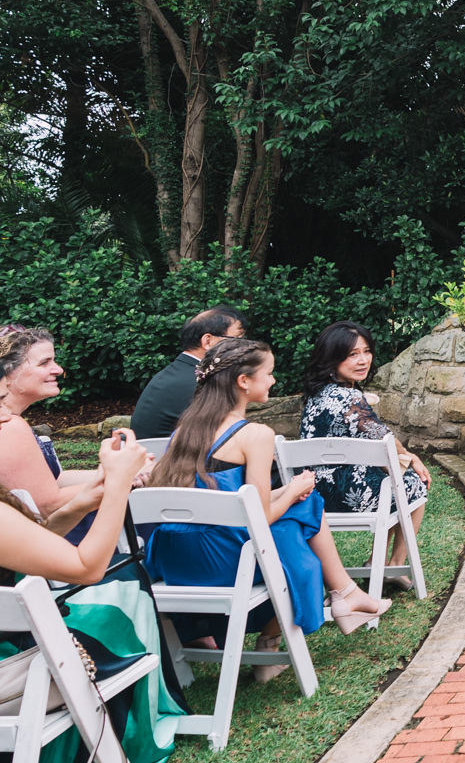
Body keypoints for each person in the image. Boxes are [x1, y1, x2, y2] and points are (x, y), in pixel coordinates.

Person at [145, 338, 390, 683]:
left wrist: (288, 493)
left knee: (297, 513)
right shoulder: (254, 435)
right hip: (224, 563)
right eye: (269, 373)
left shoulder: (185, 428)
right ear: (243, 381)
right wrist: (292, 491)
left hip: (174, 559)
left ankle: (345, 594)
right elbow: (259, 520)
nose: (273, 381)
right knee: (301, 520)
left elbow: (231, 500)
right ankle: (336, 599)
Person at [0, 337, 183, 763]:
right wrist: (118, 485)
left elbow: (33, 530)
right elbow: (86, 568)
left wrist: (93, 491)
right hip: (16, 666)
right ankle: (128, 735)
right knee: (117, 610)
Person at [299, 320, 432, 592]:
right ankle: (392, 564)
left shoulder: (315, 395)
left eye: (366, 351)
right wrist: (413, 458)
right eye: (352, 354)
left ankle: (379, 562)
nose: (363, 360)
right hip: (348, 495)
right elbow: (382, 438)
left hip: (313, 495)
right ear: (332, 358)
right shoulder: (349, 398)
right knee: (413, 484)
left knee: (392, 480)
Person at [0, 326, 113, 540]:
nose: (59, 369)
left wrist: (113, 472)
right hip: (56, 544)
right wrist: (121, 480)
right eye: (45, 362)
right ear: (7, 373)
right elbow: (46, 506)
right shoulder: (10, 426)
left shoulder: (14, 421)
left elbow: (54, 480)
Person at [131, 305, 245, 438]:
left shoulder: (178, 373)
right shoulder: (203, 383)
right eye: (238, 340)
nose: (243, 348)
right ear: (208, 341)